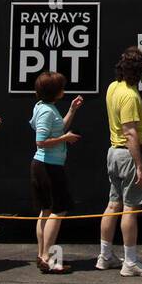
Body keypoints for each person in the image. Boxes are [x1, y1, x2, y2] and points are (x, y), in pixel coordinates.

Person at [98, 46, 142, 276]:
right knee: (130, 208)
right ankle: (130, 262)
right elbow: (130, 133)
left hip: (113, 152)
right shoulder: (130, 96)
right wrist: (140, 166)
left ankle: (105, 256)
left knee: (113, 204)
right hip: (129, 155)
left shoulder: (113, 87)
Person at [31, 71, 82, 273]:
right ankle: (47, 257)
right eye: (61, 87)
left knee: (45, 209)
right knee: (58, 210)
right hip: (48, 166)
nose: (64, 90)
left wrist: (72, 110)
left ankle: (42, 255)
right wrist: (65, 139)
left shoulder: (44, 107)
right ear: (54, 91)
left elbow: (59, 127)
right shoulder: (46, 111)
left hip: (43, 165)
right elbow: (41, 141)